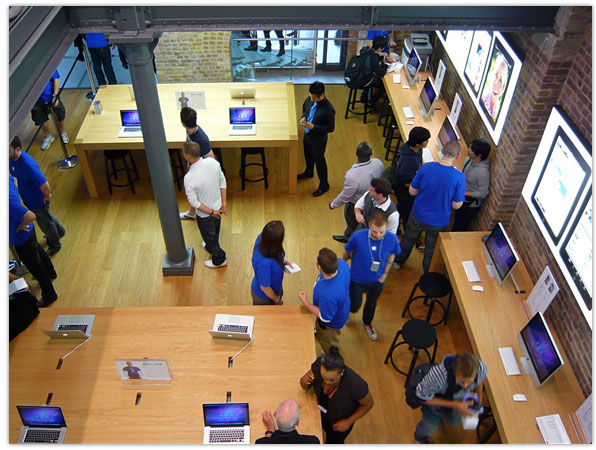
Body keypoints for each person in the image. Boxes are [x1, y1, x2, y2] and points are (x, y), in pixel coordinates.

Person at [393, 140, 465, 273]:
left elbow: (412, 191)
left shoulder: (426, 168)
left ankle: (398, 261)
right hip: (439, 220)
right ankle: (427, 273)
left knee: (408, 239)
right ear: (458, 155)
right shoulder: (459, 177)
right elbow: (456, 205)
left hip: (418, 214)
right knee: (431, 249)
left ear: (442, 151)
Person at [343, 212, 401, 341]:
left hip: (377, 280)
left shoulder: (391, 238)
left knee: (371, 304)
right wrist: (342, 267)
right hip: (357, 279)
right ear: (369, 225)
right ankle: (347, 309)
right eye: (375, 231)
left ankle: (367, 323)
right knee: (354, 306)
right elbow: (347, 252)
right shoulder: (358, 237)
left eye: (381, 232)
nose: (378, 235)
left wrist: (384, 275)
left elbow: (392, 254)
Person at [300, 346, 373, 444]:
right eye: (323, 377)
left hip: (338, 422)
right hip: (319, 411)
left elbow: (368, 404)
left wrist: (348, 421)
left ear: (342, 372)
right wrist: (305, 382)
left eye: (331, 380)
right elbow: (305, 386)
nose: (326, 382)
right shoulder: (318, 365)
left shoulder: (355, 384)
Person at [414, 352, 487, 444]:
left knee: (454, 422)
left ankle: (445, 417)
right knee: (429, 427)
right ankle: (419, 438)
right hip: (435, 405)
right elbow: (422, 397)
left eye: (469, 382)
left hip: (457, 400)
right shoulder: (437, 376)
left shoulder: (481, 369)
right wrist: (457, 405)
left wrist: (479, 400)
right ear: (454, 371)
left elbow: (480, 380)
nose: (465, 386)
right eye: (461, 381)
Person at [10, 136, 66, 256]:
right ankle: (60, 231)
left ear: (17, 149)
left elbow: (44, 185)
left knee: (45, 224)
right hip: (29, 199)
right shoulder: (12, 160)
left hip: (37, 200)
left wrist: (47, 196)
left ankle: (55, 245)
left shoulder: (27, 165)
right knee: (46, 217)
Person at [9, 176, 58, 308]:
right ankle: (50, 272)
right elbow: (14, 180)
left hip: (21, 238)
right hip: (28, 233)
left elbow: (31, 216)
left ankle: (49, 294)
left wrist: (19, 224)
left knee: (35, 267)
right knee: (38, 251)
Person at [181, 142, 227, 268]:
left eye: (183, 152)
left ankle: (219, 259)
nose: (182, 154)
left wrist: (211, 212)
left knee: (209, 236)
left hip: (206, 215)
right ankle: (210, 246)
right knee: (215, 232)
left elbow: (194, 202)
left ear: (189, 156)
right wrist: (223, 203)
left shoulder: (189, 178)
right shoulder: (213, 163)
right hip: (219, 208)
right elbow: (222, 181)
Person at [330, 142, 384, 243]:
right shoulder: (378, 163)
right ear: (370, 153)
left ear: (357, 154)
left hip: (356, 204)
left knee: (352, 224)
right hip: (372, 202)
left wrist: (333, 204)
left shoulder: (353, 175)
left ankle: (351, 241)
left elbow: (346, 195)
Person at [298, 248, 350, 353]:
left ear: (320, 267)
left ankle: (329, 355)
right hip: (341, 307)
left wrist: (305, 302)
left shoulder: (328, 294)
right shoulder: (342, 264)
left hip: (330, 325)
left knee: (328, 342)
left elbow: (325, 317)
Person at [179, 107, 224, 220]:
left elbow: (212, 161)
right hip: (194, 166)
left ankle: (206, 215)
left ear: (183, 123)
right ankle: (191, 212)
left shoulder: (202, 140)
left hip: (201, 172)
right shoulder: (189, 130)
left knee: (198, 195)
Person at [298, 81, 336, 197]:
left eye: (314, 98)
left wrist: (313, 127)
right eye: (310, 97)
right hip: (308, 134)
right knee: (307, 154)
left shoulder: (328, 109)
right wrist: (303, 117)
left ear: (321, 95)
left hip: (318, 139)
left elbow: (330, 128)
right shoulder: (310, 99)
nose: (311, 99)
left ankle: (324, 185)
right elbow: (305, 109)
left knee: (320, 162)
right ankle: (309, 171)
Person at [390, 127, 430, 235]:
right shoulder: (408, 160)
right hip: (404, 189)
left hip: (410, 181)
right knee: (406, 210)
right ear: (418, 144)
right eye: (426, 141)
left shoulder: (415, 149)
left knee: (401, 208)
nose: (427, 142)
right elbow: (407, 183)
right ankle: (405, 231)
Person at [452, 139, 491, 231]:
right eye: (469, 147)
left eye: (471, 150)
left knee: (459, 226)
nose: (468, 150)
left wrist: (464, 193)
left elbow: (483, 193)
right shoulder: (468, 160)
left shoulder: (483, 173)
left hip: (469, 205)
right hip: (461, 197)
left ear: (480, 154)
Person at [251, 220, 292, 305]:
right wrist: (277, 300)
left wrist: (283, 262)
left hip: (275, 287)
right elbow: (265, 288)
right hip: (264, 299)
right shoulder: (264, 263)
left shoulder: (262, 238)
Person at [30, 69, 68, 150]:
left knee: (60, 115)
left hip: (50, 97)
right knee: (40, 119)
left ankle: (63, 133)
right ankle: (48, 136)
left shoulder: (46, 65)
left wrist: (55, 96)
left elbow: (56, 79)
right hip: (36, 100)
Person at [255, 399, 320, 444]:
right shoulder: (312, 442)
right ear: (298, 422)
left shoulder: (260, 443)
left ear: (275, 415)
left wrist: (270, 430)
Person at [358, 35, 391, 109]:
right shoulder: (373, 56)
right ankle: (371, 101)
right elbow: (381, 72)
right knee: (384, 86)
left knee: (377, 81)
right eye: (382, 48)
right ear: (379, 48)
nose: (382, 49)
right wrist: (386, 66)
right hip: (365, 80)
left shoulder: (366, 50)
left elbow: (374, 59)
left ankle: (364, 97)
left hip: (359, 76)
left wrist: (382, 57)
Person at [481, 54, 509, 120]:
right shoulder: (483, 97)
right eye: (496, 76)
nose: (496, 83)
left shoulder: (497, 107)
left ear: (503, 87)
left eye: (500, 80)